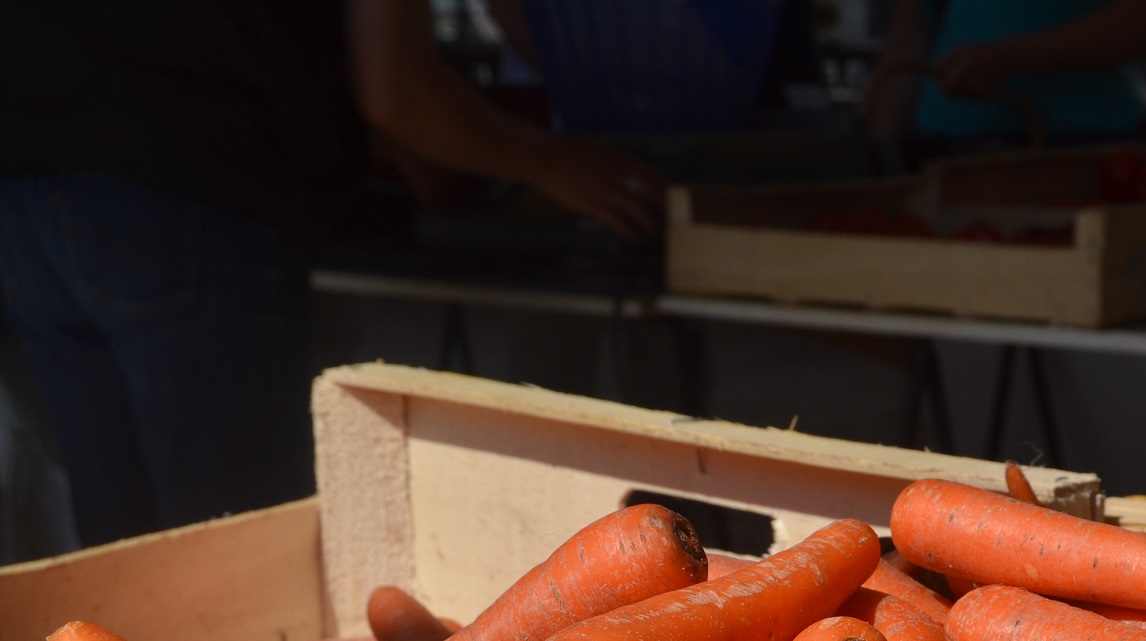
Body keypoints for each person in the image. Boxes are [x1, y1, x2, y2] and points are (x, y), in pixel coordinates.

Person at [0, 0, 662, 548]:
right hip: (189, 187)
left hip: (31, 186)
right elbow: (396, 92)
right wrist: (553, 163)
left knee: (119, 557)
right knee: (242, 557)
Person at [865, 0, 1146, 147]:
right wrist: (882, 154)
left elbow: (1144, 24)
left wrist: (1008, 59)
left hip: (1082, 149)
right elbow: (911, 31)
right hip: (945, 151)